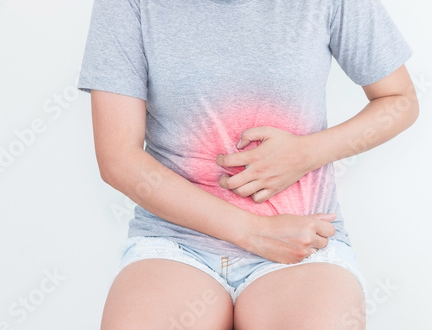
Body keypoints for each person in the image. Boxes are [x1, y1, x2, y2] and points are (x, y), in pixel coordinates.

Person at [78, 0, 419, 328]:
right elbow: (118, 158)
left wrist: (305, 154)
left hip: (301, 240)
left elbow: (399, 100)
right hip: (175, 242)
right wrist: (253, 233)